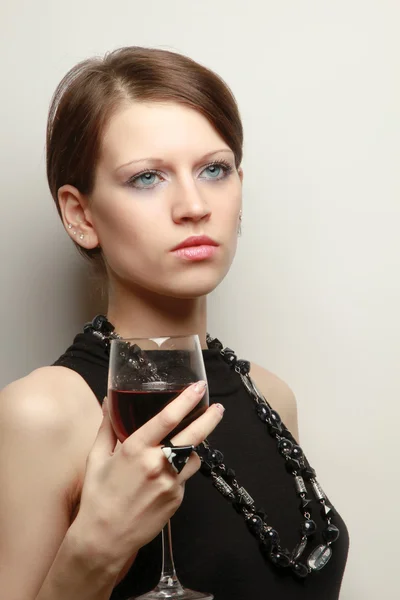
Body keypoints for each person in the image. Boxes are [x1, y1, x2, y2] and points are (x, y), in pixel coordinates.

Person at [0, 47, 349, 600]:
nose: (193, 205)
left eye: (215, 169)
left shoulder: (271, 394)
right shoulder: (42, 413)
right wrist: (95, 551)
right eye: (146, 178)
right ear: (81, 215)